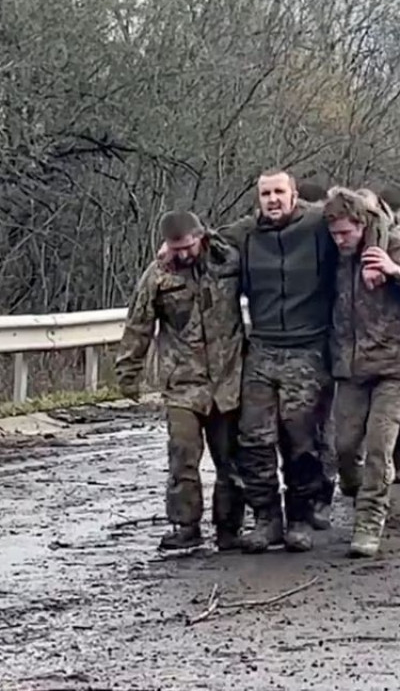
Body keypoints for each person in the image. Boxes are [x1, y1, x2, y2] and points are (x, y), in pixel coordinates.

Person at [220, 169, 352, 553]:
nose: (272, 200)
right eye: (265, 193)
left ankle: (299, 516)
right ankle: (266, 518)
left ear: (294, 195)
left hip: (308, 347)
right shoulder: (246, 234)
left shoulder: (317, 225)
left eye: (279, 192)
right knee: (254, 438)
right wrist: (171, 249)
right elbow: (203, 243)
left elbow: (360, 226)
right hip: (262, 347)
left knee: (301, 438)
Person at [324, 188, 400, 556]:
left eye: (346, 232)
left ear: (362, 223)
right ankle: (358, 490)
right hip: (351, 367)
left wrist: (396, 273)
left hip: (395, 367)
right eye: (334, 234)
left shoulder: (397, 248)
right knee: (343, 447)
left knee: (379, 448)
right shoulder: (334, 256)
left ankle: (369, 521)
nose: (339, 240)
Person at [115, 211, 246, 552]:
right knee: (183, 456)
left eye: (188, 246)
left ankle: (229, 527)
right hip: (183, 382)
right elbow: (138, 324)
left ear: (200, 237)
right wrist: (128, 372)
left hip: (228, 379)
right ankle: (185, 524)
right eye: (176, 249)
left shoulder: (229, 261)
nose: (183, 255)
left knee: (230, 459)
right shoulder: (158, 275)